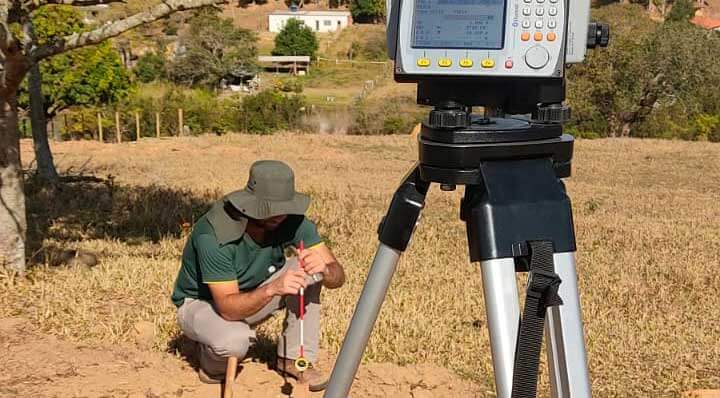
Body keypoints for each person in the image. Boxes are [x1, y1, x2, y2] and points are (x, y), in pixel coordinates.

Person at [171, 160, 345, 388]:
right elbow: (228, 309)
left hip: (254, 293)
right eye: (269, 209)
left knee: (309, 273)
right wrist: (273, 289)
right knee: (234, 340)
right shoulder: (214, 234)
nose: (279, 215)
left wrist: (324, 269)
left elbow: (338, 276)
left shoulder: (292, 220)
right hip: (205, 304)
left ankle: (293, 359)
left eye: (282, 208)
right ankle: (209, 358)